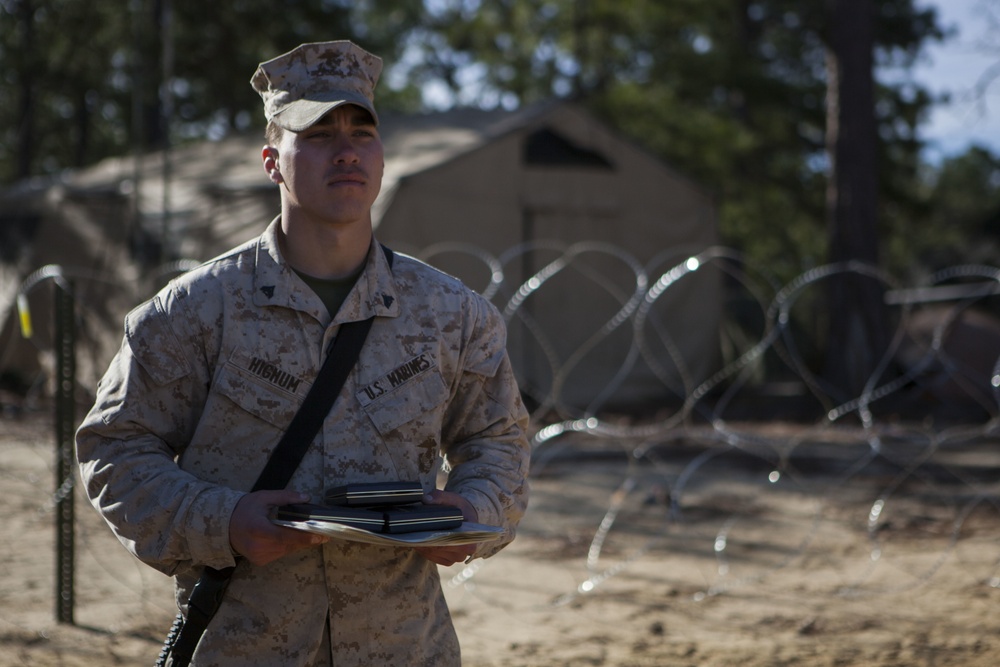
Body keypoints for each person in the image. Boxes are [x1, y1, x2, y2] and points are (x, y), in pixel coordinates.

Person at [76, 40, 530, 666]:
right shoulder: (195, 311)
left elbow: (498, 441)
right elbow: (115, 449)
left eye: (361, 131)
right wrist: (224, 520)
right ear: (273, 162)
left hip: (403, 648)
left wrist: (471, 510)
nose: (345, 150)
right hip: (248, 647)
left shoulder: (451, 314)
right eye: (317, 133)